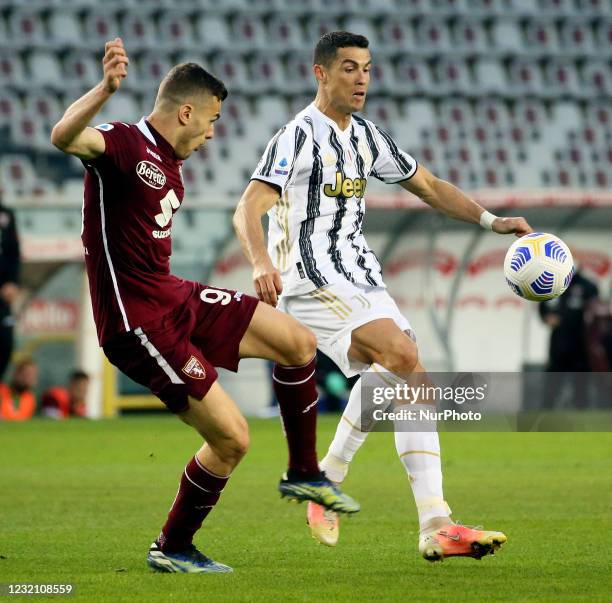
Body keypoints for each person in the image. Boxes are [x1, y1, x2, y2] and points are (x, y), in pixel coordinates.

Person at [51, 38, 359, 574]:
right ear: (185, 111)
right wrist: (105, 89)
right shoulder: (124, 144)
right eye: (212, 120)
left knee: (297, 342)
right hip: (137, 321)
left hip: (173, 295)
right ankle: (172, 547)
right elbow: (62, 136)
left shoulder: (169, 163)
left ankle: (305, 472)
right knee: (233, 438)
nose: (214, 133)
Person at [234, 31, 533, 561]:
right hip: (310, 280)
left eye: (367, 68)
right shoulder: (297, 136)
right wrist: (260, 261)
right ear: (320, 73)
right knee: (402, 358)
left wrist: (492, 220)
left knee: (409, 381)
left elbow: (430, 186)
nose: (362, 78)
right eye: (349, 67)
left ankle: (328, 480)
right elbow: (248, 206)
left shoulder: (368, 137)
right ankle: (433, 521)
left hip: (362, 278)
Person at [539, 267, 599, 409]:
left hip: (581, 342)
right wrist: (546, 317)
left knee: (580, 381)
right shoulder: (552, 285)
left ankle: (581, 413)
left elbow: (595, 308)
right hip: (558, 342)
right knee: (553, 379)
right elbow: (543, 307)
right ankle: (547, 412)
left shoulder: (587, 285)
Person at [0, 195, 21, 381]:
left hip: (2, 295)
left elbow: (14, 251)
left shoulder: (6, 215)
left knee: (5, 343)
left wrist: (12, 282)